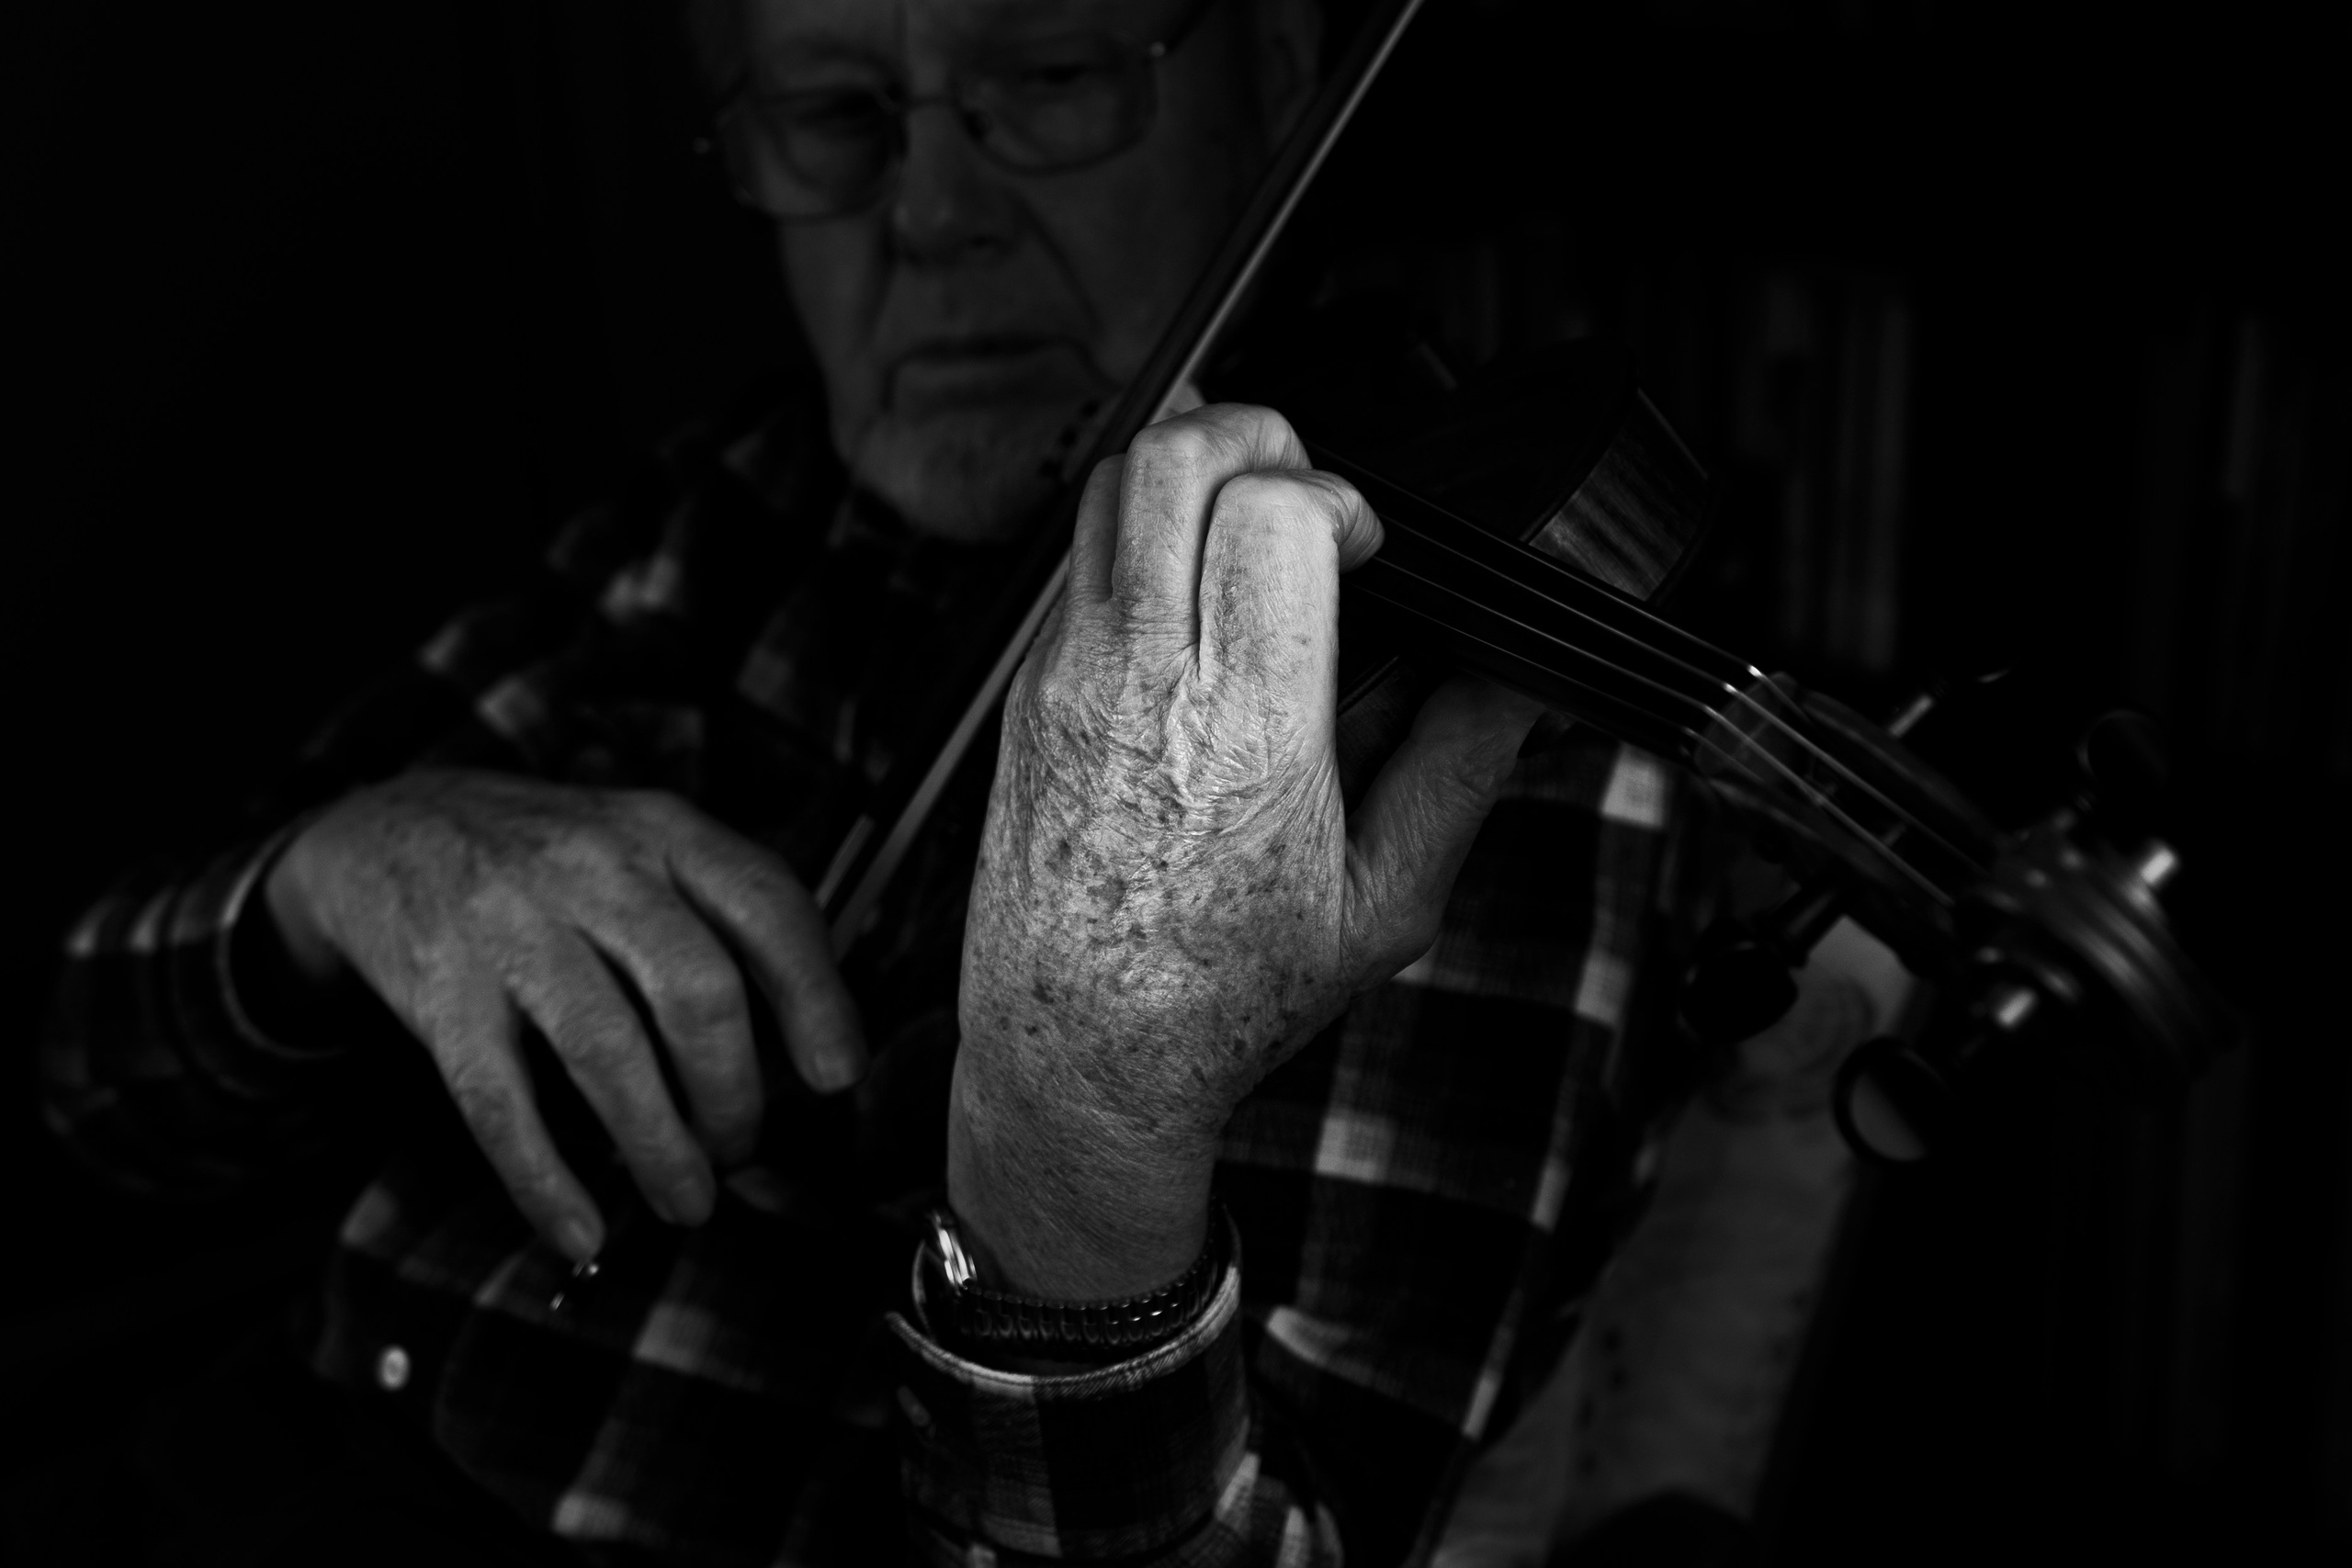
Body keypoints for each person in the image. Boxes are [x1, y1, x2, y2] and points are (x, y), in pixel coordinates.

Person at [33, 0, 1880, 1563]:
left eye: (1053, 78)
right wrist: (335, 879)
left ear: (1282, 87)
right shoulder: (732, 513)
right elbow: (92, 1083)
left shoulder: (1479, 755)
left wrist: (1080, 1156)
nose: (925, 213)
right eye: (836, 113)